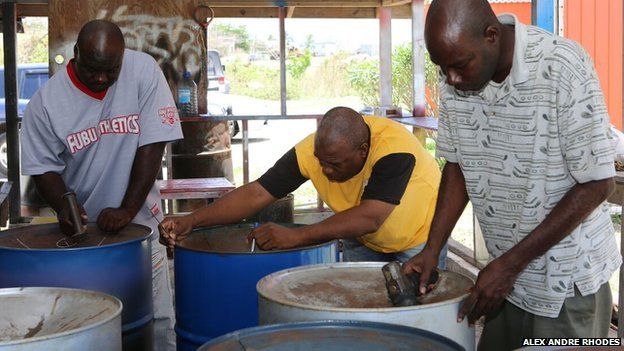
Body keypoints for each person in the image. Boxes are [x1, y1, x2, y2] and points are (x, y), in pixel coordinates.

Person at [403, 1, 621, 350]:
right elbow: (457, 167)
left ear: (492, 36)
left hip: (563, 283)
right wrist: (432, 249)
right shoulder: (456, 76)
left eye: (459, 66)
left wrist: (508, 266)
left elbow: (598, 182)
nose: (451, 79)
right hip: (504, 279)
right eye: (442, 68)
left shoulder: (562, 65)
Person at [20, 20, 183, 351]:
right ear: (76, 53)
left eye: (111, 70)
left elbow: (152, 145)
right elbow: (43, 168)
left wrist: (127, 209)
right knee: (92, 321)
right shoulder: (46, 103)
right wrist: (63, 202)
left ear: (123, 57)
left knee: (159, 320)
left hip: (142, 225)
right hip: (85, 234)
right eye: (92, 69)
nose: (101, 79)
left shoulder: (143, 71)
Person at [160, 106, 444, 264]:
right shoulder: (314, 151)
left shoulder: (394, 149)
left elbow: (370, 217)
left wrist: (297, 236)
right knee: (363, 311)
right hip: (365, 237)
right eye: (321, 161)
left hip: (419, 238)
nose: (325, 169)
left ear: (363, 150)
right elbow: (259, 192)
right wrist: (193, 220)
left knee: (416, 315)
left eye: (335, 163)